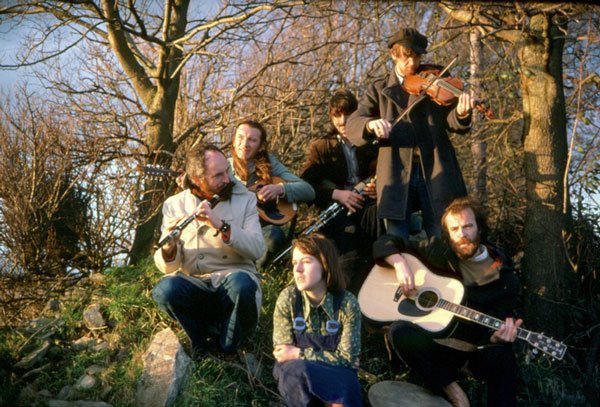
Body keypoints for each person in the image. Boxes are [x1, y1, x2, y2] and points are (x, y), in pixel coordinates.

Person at [372, 196, 522, 407]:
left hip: (472, 352)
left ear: (479, 228)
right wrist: (399, 263)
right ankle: (453, 391)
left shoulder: (503, 276)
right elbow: (384, 243)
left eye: (468, 226)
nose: (462, 235)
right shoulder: (437, 250)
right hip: (434, 346)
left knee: (504, 358)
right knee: (399, 331)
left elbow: (499, 319)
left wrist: (496, 337)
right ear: (448, 233)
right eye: (455, 229)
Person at [347, 27, 475, 240]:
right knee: (397, 240)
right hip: (396, 172)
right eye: (406, 58)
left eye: (416, 57)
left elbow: (452, 121)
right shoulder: (378, 89)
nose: (413, 64)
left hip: (435, 170)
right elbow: (353, 123)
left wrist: (461, 113)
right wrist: (371, 125)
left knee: (442, 236)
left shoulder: (435, 79)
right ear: (393, 54)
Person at [152, 144, 266, 355]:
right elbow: (167, 268)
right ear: (198, 180)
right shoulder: (174, 204)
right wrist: (169, 247)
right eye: (218, 175)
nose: (228, 179)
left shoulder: (246, 199)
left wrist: (221, 225)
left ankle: (227, 348)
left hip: (234, 282)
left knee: (242, 284)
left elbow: (257, 249)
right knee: (164, 290)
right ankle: (200, 344)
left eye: (227, 171)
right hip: (197, 284)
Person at [300, 89, 379, 290]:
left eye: (348, 114)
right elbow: (305, 186)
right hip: (337, 210)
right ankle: (346, 293)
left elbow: (386, 173)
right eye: (337, 115)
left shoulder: (370, 143)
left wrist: (377, 187)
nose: (343, 121)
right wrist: (337, 194)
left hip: (368, 206)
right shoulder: (321, 146)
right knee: (349, 237)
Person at [273, 234, 362, 407]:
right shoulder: (288, 298)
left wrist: (299, 353)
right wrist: (334, 357)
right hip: (297, 374)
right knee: (296, 370)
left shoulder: (347, 303)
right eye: (294, 263)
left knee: (344, 390)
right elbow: (283, 354)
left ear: (325, 263)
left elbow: (348, 360)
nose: (297, 269)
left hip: (336, 376)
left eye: (305, 262)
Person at [230, 120, 315, 268]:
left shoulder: (271, 164)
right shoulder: (222, 167)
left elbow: (308, 190)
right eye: (240, 137)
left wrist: (280, 189)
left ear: (261, 146)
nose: (244, 144)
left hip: (259, 230)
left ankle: (254, 271)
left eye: (252, 140)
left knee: (274, 236)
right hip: (231, 228)